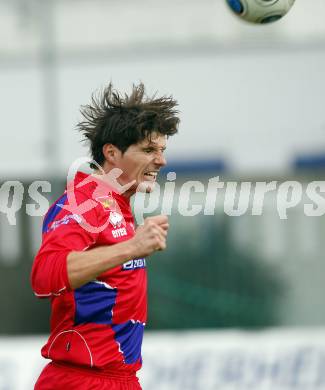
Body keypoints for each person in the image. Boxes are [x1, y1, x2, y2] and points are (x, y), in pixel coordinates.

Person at [31, 82, 179, 389]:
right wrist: (131, 247)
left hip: (120, 380)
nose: (161, 160)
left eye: (162, 150)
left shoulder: (119, 204)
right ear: (111, 153)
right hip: (81, 380)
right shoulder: (84, 202)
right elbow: (44, 277)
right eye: (149, 150)